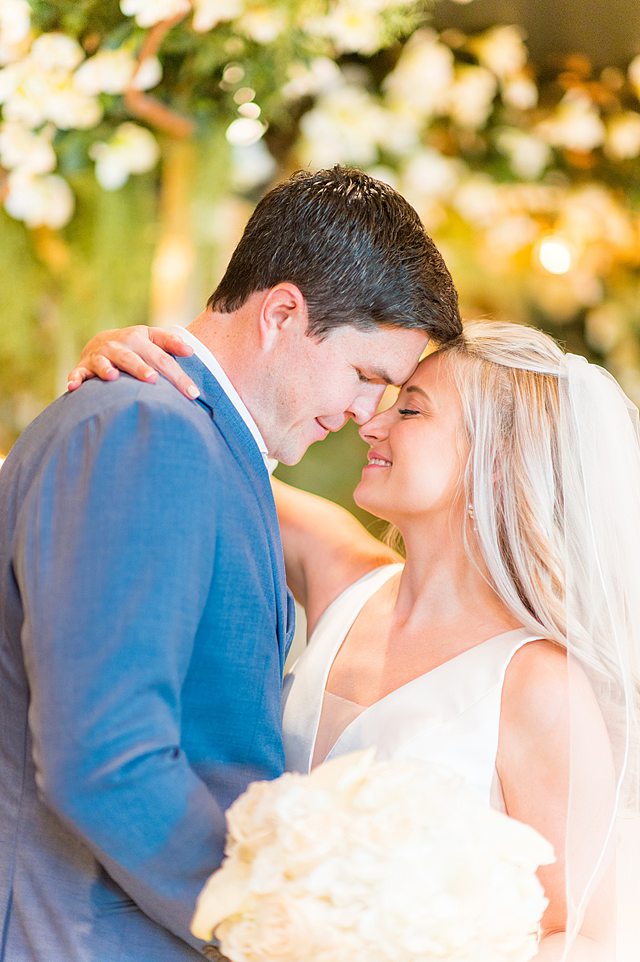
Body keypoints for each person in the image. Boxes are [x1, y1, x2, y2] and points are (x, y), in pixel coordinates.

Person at [0, 166, 462, 962]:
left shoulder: (200, 445)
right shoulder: (151, 433)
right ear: (282, 312)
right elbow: (104, 757)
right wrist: (267, 928)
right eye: (365, 378)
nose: (363, 417)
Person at [85, 319, 640, 960]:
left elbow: (590, 935)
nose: (371, 424)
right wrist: (125, 369)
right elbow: (184, 455)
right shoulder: (339, 573)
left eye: (410, 410)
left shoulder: (538, 683)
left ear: (493, 460)